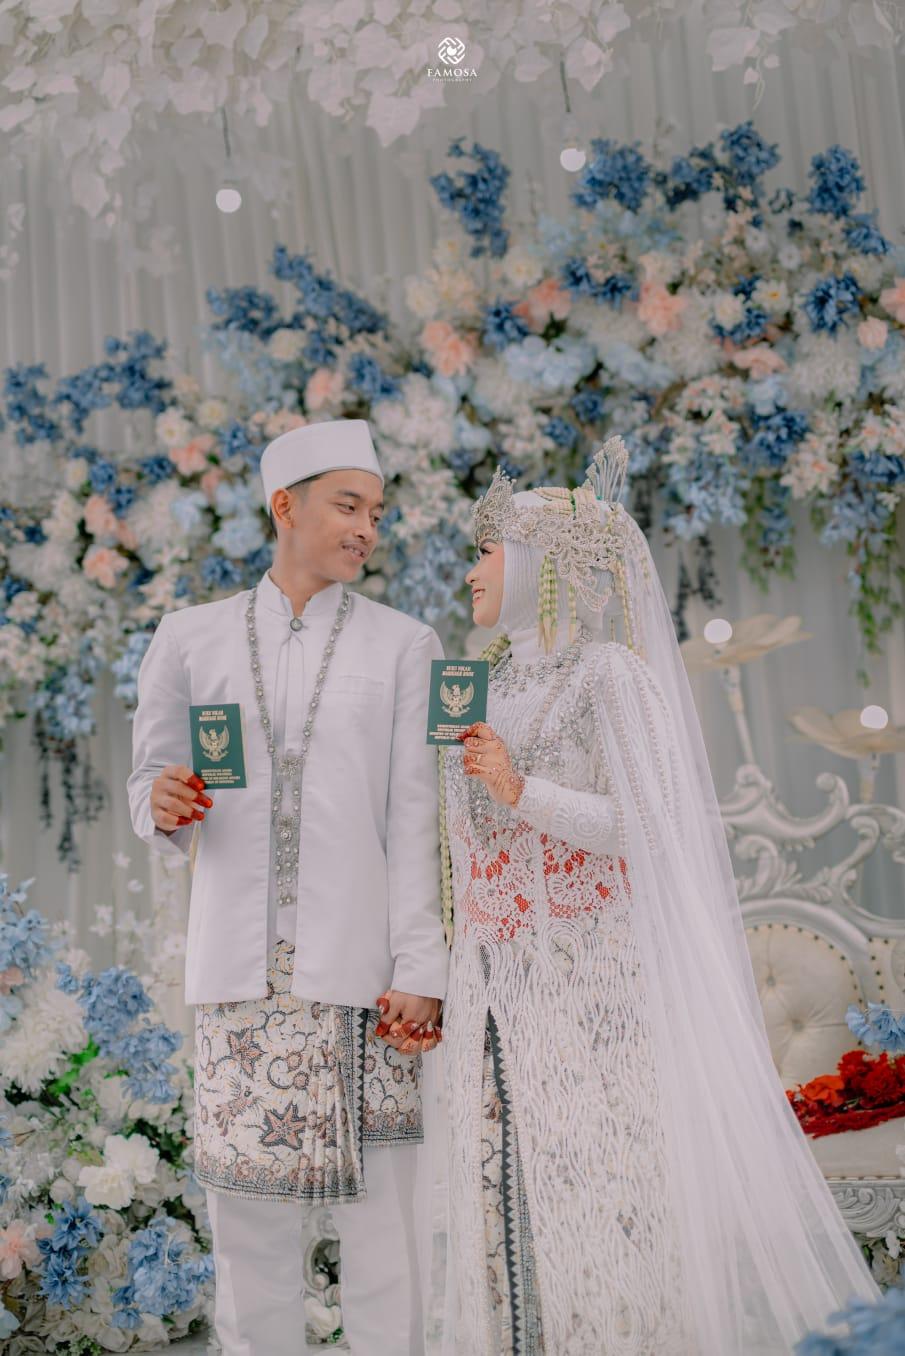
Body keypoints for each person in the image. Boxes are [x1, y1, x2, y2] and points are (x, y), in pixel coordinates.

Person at [437, 436, 880, 1354]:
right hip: (494, 984)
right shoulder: (481, 683)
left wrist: (522, 789)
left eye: (486, 550)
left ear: (539, 561)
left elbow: (652, 827)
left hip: (593, 980)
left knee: (604, 1199)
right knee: (502, 1199)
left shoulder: (609, 674)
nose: (470, 572)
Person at [127, 418, 448, 1356]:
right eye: (348, 507)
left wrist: (419, 964)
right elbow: (151, 781)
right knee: (248, 1235)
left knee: (384, 1233)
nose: (366, 529)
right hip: (239, 975)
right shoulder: (189, 638)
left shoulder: (404, 644)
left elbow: (415, 815)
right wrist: (163, 802)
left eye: (376, 513)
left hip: (364, 980)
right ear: (284, 507)